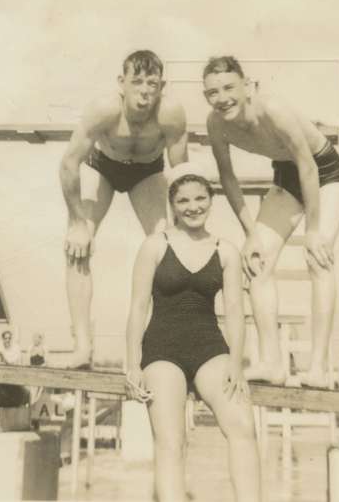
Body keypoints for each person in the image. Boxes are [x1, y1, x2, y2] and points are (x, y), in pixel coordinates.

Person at [203, 56, 339, 388]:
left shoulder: (273, 109)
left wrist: (313, 231)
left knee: (319, 259)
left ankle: (318, 368)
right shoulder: (216, 124)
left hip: (325, 174)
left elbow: (309, 166)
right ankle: (272, 363)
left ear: (247, 85)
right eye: (212, 92)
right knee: (257, 262)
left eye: (228, 88)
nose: (222, 98)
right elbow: (228, 178)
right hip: (286, 178)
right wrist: (251, 233)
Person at [125, 163, 260, 502]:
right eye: (184, 201)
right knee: (172, 441)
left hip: (210, 349)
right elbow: (138, 307)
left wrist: (236, 365)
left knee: (243, 426)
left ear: (210, 201)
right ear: (173, 205)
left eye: (200, 198)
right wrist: (132, 364)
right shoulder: (155, 246)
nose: (193, 207)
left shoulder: (226, 250)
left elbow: (234, 313)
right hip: (162, 350)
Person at [60, 50, 188, 369]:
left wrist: (185, 228)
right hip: (101, 167)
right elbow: (69, 163)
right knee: (77, 246)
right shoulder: (104, 109)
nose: (145, 90)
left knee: (170, 250)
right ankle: (82, 347)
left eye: (152, 83)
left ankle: (167, 342)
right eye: (137, 81)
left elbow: (182, 172)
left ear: (162, 86)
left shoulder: (170, 114)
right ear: (122, 82)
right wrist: (77, 222)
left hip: (146, 172)